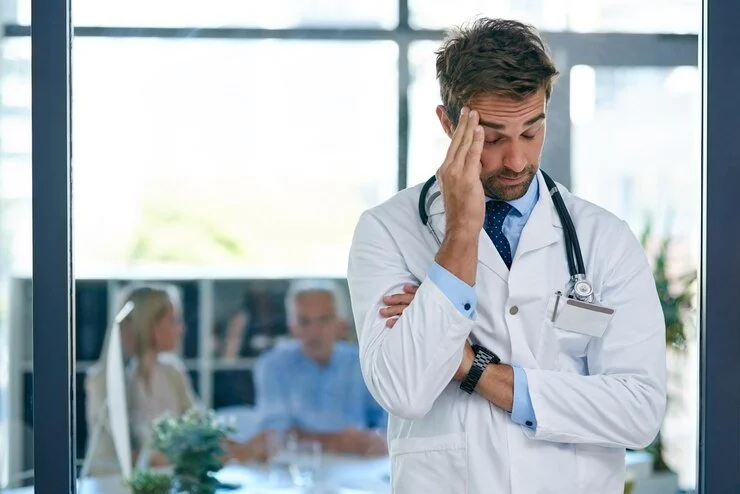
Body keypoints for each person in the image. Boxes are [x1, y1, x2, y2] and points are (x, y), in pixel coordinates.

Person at [346, 18, 667, 494]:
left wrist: (471, 367)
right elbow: (404, 390)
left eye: (531, 132)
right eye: (493, 139)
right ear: (448, 124)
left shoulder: (604, 238)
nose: (516, 161)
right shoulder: (387, 230)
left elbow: (638, 412)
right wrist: (461, 232)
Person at [231, 280, 387, 461]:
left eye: (324, 319)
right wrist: (338, 441)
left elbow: (387, 423)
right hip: (294, 467)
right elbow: (274, 435)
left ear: (341, 323)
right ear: (291, 326)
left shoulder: (362, 362)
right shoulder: (272, 365)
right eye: (304, 321)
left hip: (360, 467)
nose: (314, 331)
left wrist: (377, 439)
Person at [84, 284, 199, 474]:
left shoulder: (172, 372)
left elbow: (200, 426)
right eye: (173, 320)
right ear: (151, 325)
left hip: (165, 481)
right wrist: (197, 452)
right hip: (114, 484)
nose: (182, 328)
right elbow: (135, 453)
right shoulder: (103, 381)